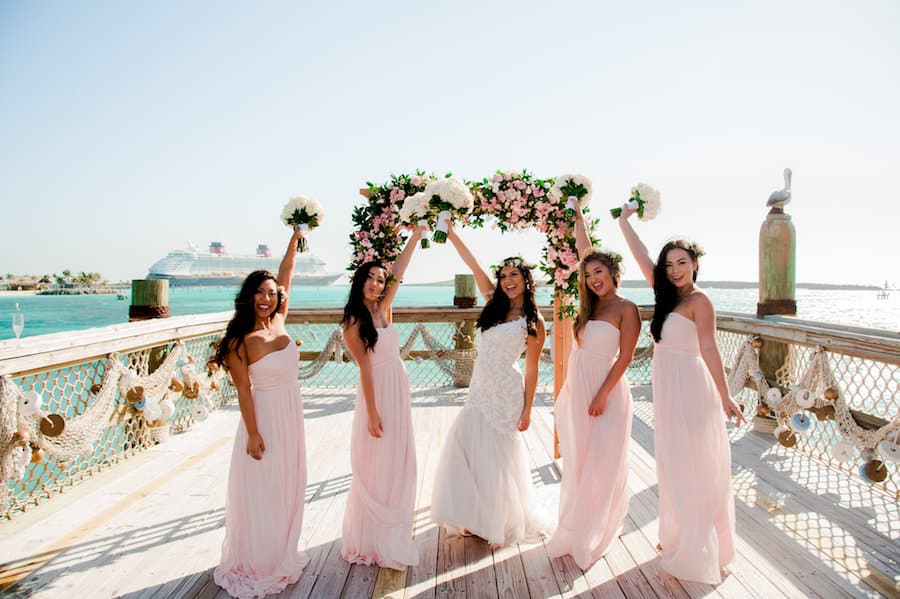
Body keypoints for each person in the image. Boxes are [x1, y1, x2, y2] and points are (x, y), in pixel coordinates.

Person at [618, 205, 746, 585]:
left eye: (681, 262)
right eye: (669, 264)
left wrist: (726, 397)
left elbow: (710, 349)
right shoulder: (666, 294)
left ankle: (701, 547)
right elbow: (640, 255)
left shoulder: (699, 302)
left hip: (693, 390)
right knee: (673, 466)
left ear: (694, 264)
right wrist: (624, 221)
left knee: (694, 468)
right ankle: (677, 536)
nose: (675, 270)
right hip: (669, 392)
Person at [430, 223, 550, 546]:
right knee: (465, 444)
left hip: (507, 393)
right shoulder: (492, 303)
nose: (508, 281)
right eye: (504, 276)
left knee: (496, 456)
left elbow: (532, 368)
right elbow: (472, 263)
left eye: (515, 275)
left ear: (527, 280)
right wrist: (451, 233)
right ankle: (472, 513)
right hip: (480, 388)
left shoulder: (534, 321)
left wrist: (527, 408)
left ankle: (494, 519)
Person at [213, 226, 309, 598]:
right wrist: (253, 433)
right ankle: (260, 558)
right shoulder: (239, 342)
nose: (267, 298)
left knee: (288, 483)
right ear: (249, 297)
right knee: (264, 487)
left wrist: (294, 241)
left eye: (272, 294)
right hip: (265, 417)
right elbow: (243, 390)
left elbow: (286, 275)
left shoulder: (280, 322)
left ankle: (282, 549)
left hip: (291, 413)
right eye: (260, 293)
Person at [546, 203, 640, 569]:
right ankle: (576, 525)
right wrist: (578, 216)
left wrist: (601, 393)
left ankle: (595, 529)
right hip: (578, 389)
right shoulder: (591, 307)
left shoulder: (625, 308)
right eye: (587, 275)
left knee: (603, 461)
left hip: (607, 392)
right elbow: (585, 249)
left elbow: (626, 357)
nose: (592, 279)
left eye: (599, 272)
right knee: (580, 459)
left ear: (614, 273)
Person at [340, 226, 425, 569]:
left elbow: (399, 273)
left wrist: (417, 236)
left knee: (398, 458)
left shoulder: (383, 308)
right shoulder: (352, 321)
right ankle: (374, 535)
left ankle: (394, 523)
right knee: (379, 460)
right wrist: (373, 413)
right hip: (377, 395)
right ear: (359, 282)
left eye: (379, 279)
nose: (376, 284)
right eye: (370, 279)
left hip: (398, 389)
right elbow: (365, 370)